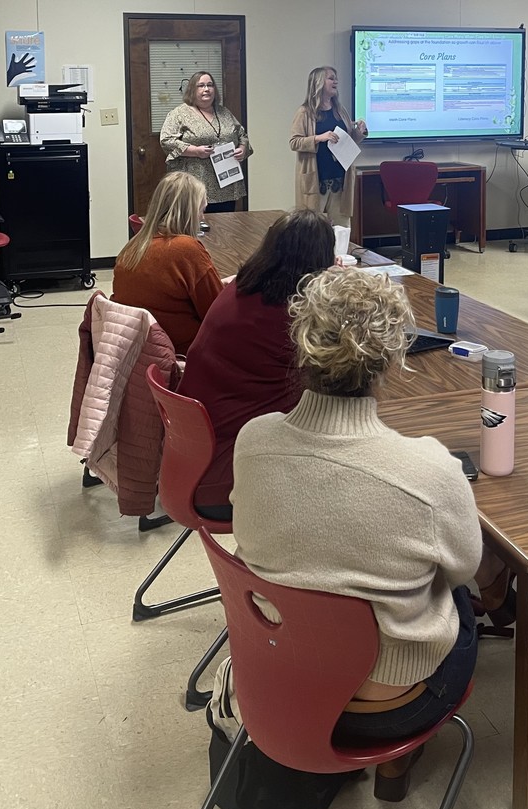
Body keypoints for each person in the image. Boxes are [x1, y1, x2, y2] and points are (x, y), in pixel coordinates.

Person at [230, 266, 508, 801]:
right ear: (393, 359)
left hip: (278, 683)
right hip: (392, 706)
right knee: (460, 598)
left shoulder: (252, 442)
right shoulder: (429, 470)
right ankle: (395, 767)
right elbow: (464, 570)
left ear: (302, 347)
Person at [176, 209, 336, 521]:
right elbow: (333, 371)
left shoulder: (239, 288)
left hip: (194, 455)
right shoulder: (290, 317)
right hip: (230, 473)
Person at [112, 171, 222, 354]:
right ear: (188, 211)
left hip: (139, 350)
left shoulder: (132, 247)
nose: (202, 218)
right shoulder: (187, 250)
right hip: (183, 353)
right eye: (201, 211)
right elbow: (217, 314)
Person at [160, 71, 252, 213]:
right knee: (197, 228)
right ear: (192, 89)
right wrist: (195, 151)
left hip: (226, 184)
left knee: (225, 228)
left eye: (210, 85)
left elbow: (242, 135)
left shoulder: (224, 113)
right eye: (201, 86)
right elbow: (166, 140)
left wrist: (242, 148)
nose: (206, 89)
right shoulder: (179, 114)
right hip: (194, 184)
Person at [290, 66, 368, 228]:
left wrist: (359, 133)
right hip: (317, 180)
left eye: (336, 78)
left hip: (340, 179)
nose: (336, 81)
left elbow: (348, 141)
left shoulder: (340, 111)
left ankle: (340, 254)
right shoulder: (305, 113)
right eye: (331, 78)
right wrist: (319, 138)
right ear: (318, 83)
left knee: (342, 228)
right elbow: (294, 142)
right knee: (312, 229)